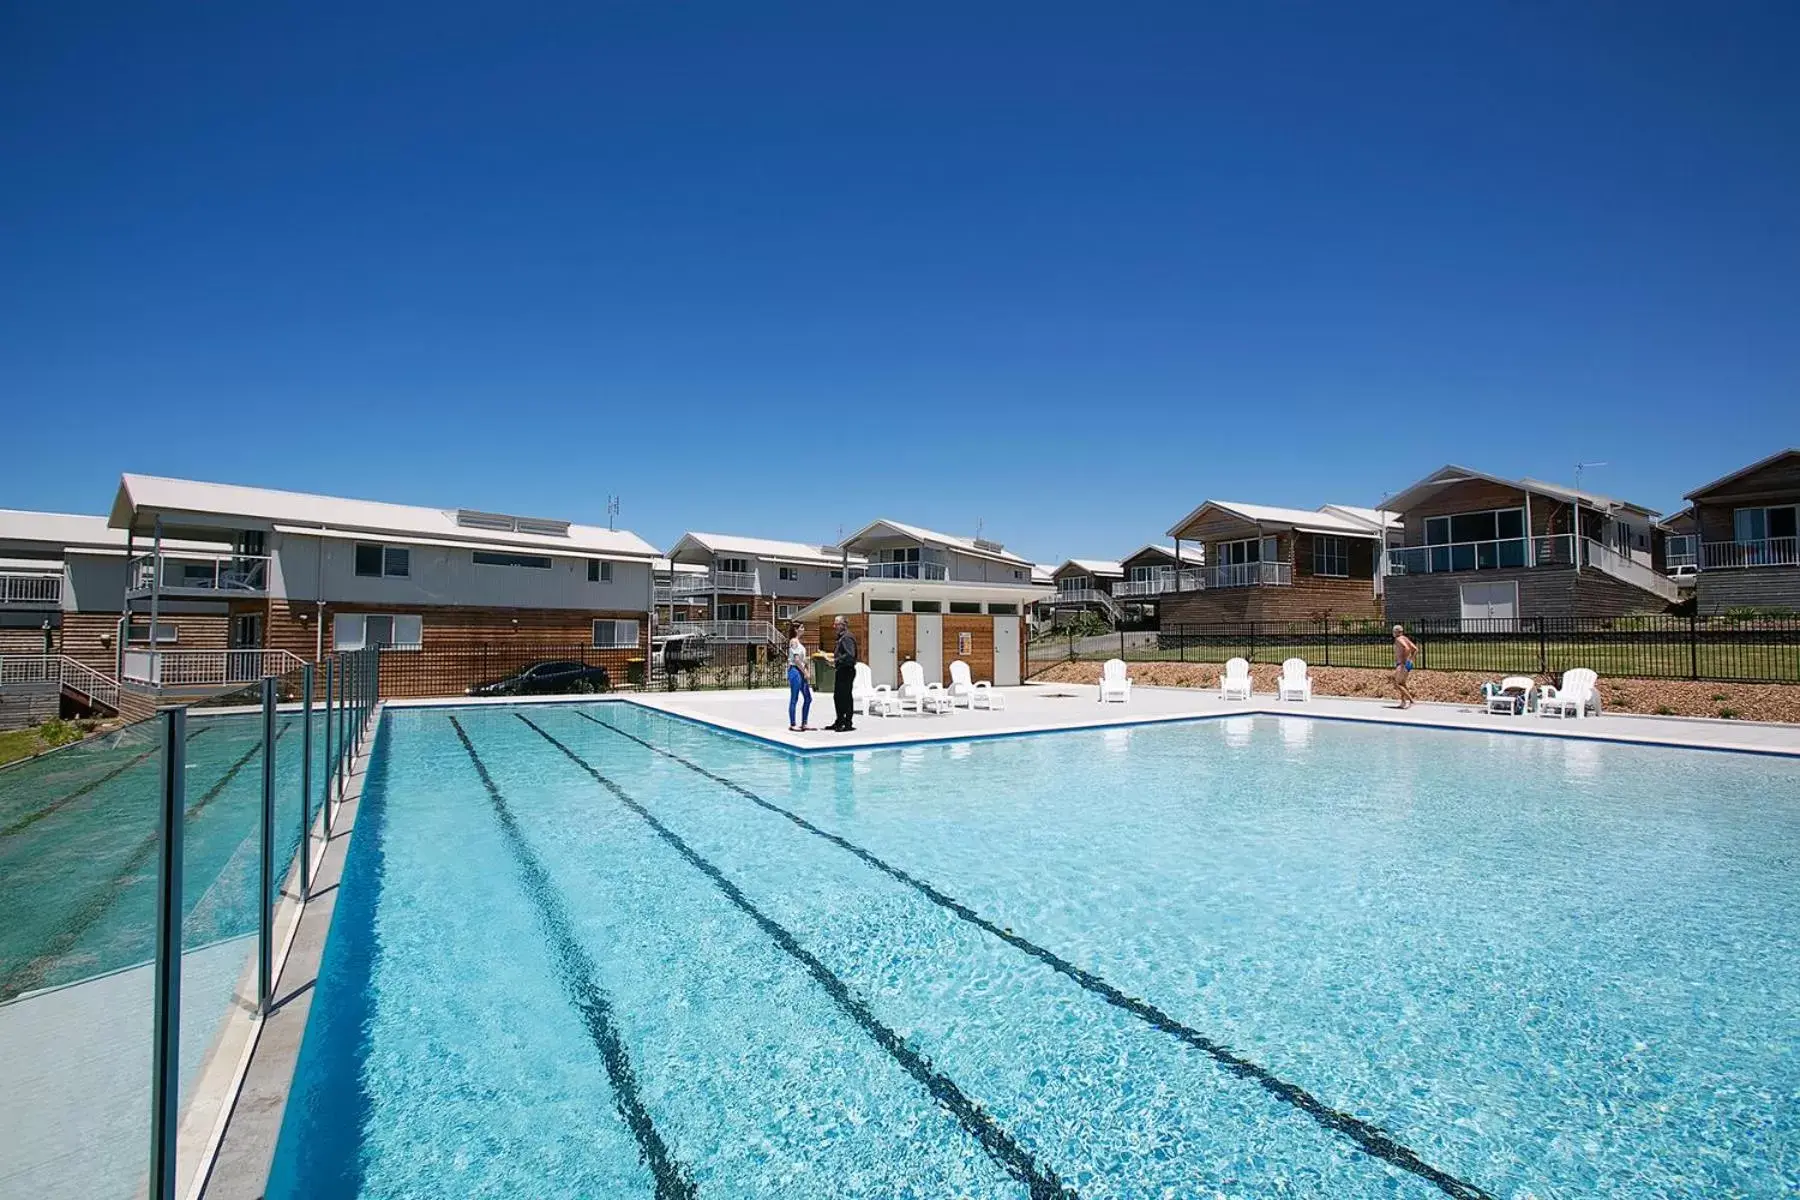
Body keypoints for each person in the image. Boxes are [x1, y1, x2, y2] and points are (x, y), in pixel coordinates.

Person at [829, 615, 858, 731]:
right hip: (841, 670)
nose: (834, 626)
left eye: (836, 624)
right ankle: (839, 720)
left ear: (843, 625)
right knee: (838, 697)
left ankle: (847, 723)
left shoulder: (847, 637)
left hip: (846, 670)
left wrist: (835, 660)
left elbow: (850, 655)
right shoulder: (842, 637)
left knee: (845, 697)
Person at [785, 622, 814, 732]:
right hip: (795, 671)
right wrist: (805, 672)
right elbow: (796, 660)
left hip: (800, 671)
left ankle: (804, 723)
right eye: (802, 627)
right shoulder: (794, 641)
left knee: (808, 698)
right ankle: (793, 724)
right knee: (794, 698)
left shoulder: (799, 643)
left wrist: (806, 664)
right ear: (796, 629)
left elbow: (801, 659)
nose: (803, 629)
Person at [1392, 623, 1419, 708]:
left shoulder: (1398, 639)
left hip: (1402, 664)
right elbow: (1415, 649)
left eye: (1393, 631)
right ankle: (1403, 702)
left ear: (1396, 632)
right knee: (1402, 683)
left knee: (1396, 683)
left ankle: (1411, 700)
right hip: (1408, 664)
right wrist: (1410, 659)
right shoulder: (1405, 638)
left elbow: (1406, 648)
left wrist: (1404, 660)